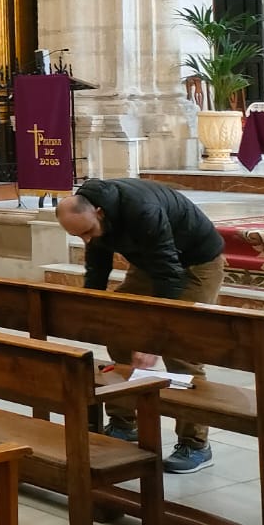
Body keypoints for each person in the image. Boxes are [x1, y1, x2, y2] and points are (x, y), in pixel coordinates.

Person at [56, 178, 227, 474]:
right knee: (119, 331)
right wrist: (88, 309)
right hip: (152, 264)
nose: (86, 240)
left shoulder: (142, 210)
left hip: (196, 264)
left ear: (99, 212)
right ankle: (124, 423)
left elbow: (171, 280)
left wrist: (152, 341)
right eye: (78, 236)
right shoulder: (92, 219)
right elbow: (97, 268)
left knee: (181, 349)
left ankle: (196, 444)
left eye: (87, 232)